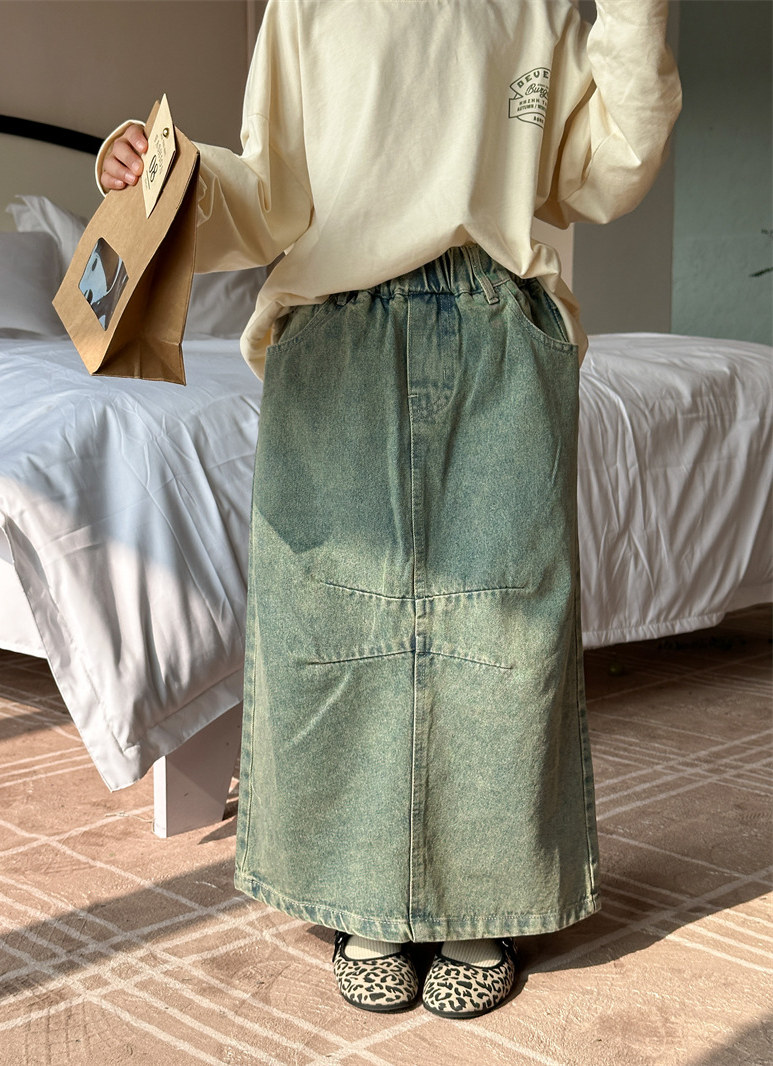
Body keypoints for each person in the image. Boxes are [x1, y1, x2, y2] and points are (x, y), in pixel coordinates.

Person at [100, 0, 681, 1019]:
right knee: (332, 620)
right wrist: (169, 175)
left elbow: (603, 170)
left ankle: (483, 899)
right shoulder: (305, 8)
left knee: (504, 627)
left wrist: (634, 13)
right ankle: (359, 892)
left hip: (497, 324)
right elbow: (268, 197)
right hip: (335, 336)